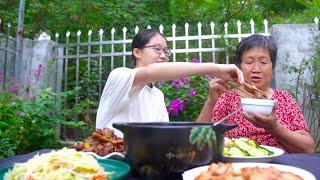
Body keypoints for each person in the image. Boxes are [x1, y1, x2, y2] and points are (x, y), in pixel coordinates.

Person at [96, 29, 244, 137]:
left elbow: (164, 137)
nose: (163, 56)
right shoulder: (119, 76)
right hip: (112, 165)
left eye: (166, 51)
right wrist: (216, 69)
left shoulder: (157, 95)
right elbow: (149, 72)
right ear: (137, 52)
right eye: (157, 49)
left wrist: (211, 101)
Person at [197, 34, 315, 153]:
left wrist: (274, 128)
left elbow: (308, 148)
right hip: (237, 166)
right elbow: (196, 142)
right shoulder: (226, 98)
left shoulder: (284, 99)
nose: (256, 69)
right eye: (249, 62)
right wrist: (211, 101)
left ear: (272, 67)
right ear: (239, 67)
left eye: (263, 62)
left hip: (279, 166)